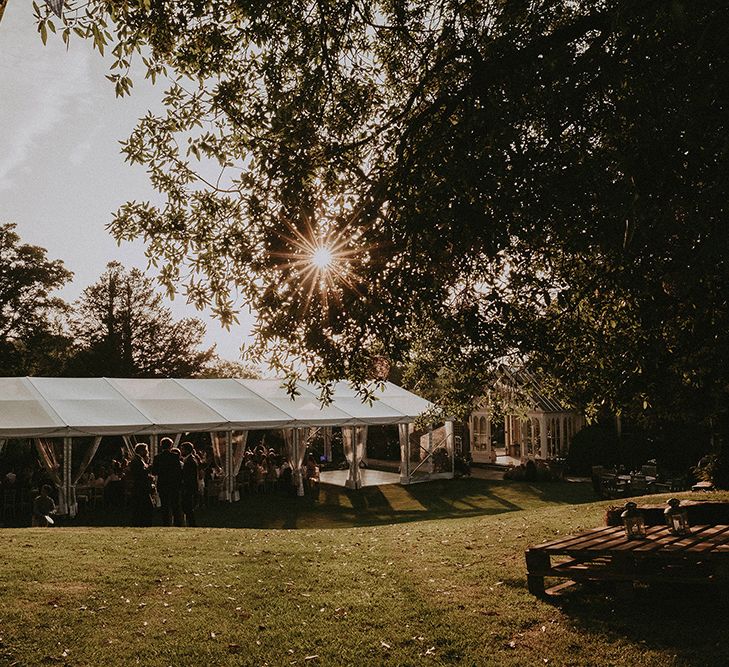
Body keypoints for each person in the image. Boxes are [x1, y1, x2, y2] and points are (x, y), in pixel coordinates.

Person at [151, 438, 184, 526]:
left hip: (163, 484)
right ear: (171, 446)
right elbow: (178, 471)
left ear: (161, 446)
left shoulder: (157, 457)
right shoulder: (175, 457)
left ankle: (166, 523)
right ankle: (177, 522)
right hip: (174, 484)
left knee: (165, 505)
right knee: (175, 505)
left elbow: (154, 472)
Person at [129, 443, 155, 527]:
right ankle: (144, 523)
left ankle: (141, 522)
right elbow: (139, 474)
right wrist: (149, 469)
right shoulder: (137, 461)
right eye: (146, 450)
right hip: (141, 488)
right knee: (146, 506)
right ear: (141, 450)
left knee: (142, 506)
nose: (147, 452)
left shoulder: (138, 460)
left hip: (140, 487)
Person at [180, 441, 199, 527]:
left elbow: (189, 476)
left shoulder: (190, 461)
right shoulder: (189, 459)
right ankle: (190, 523)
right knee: (187, 507)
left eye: (182, 449)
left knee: (188, 507)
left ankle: (192, 524)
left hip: (189, 487)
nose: (181, 451)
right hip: (189, 487)